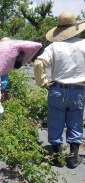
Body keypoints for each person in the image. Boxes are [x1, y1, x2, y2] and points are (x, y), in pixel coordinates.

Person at [33, 12, 85, 169]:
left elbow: (37, 64)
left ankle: (57, 158)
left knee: (55, 123)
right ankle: (73, 159)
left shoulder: (53, 47)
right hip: (78, 90)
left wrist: (43, 82)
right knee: (75, 123)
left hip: (57, 89)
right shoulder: (84, 44)